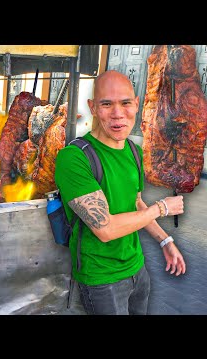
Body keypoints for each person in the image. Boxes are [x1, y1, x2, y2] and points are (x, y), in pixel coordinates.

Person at [54, 70, 186, 315]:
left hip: (137, 268)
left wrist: (165, 241)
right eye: (106, 104)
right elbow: (106, 229)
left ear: (136, 104)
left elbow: (135, 203)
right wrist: (163, 208)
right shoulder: (74, 158)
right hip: (101, 279)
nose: (117, 114)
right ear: (93, 107)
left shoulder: (133, 151)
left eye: (125, 103)